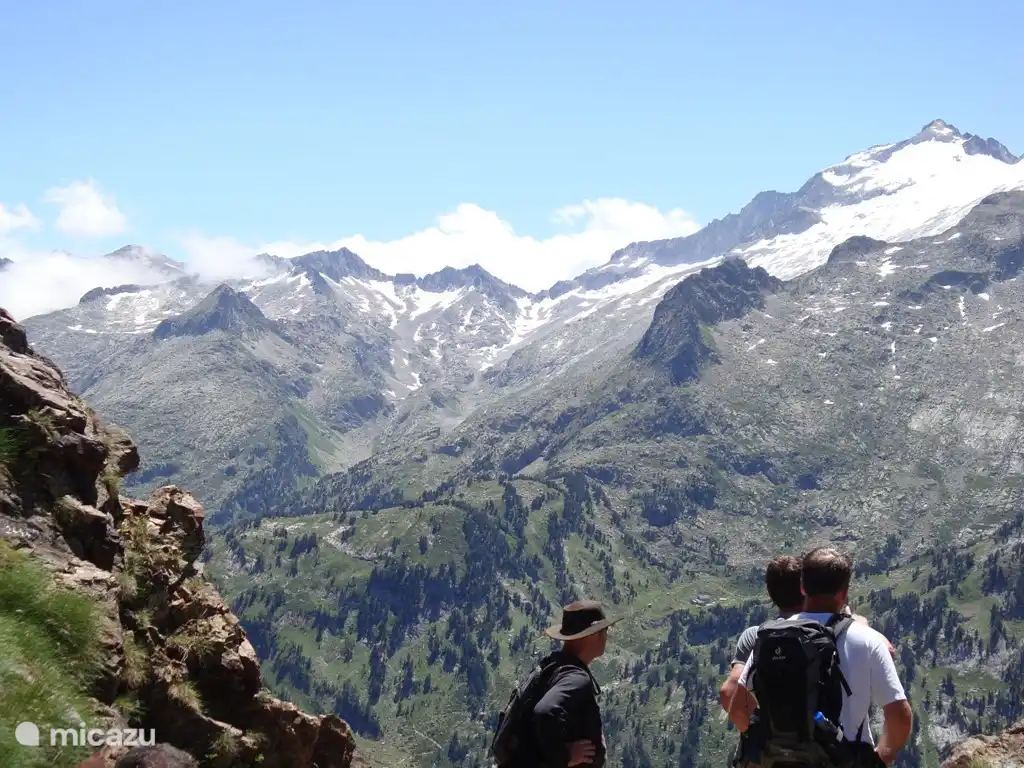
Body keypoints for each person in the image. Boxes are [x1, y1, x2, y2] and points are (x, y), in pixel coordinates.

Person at [728, 547, 913, 767]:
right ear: (843, 593)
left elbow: (737, 708)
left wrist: (768, 747)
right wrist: (883, 754)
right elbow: (899, 715)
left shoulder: (772, 636)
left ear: (802, 587)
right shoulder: (867, 640)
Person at [491, 599, 620, 767]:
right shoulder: (575, 677)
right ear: (593, 634)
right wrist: (566, 756)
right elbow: (546, 712)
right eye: (605, 630)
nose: (607, 636)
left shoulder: (552, 666)